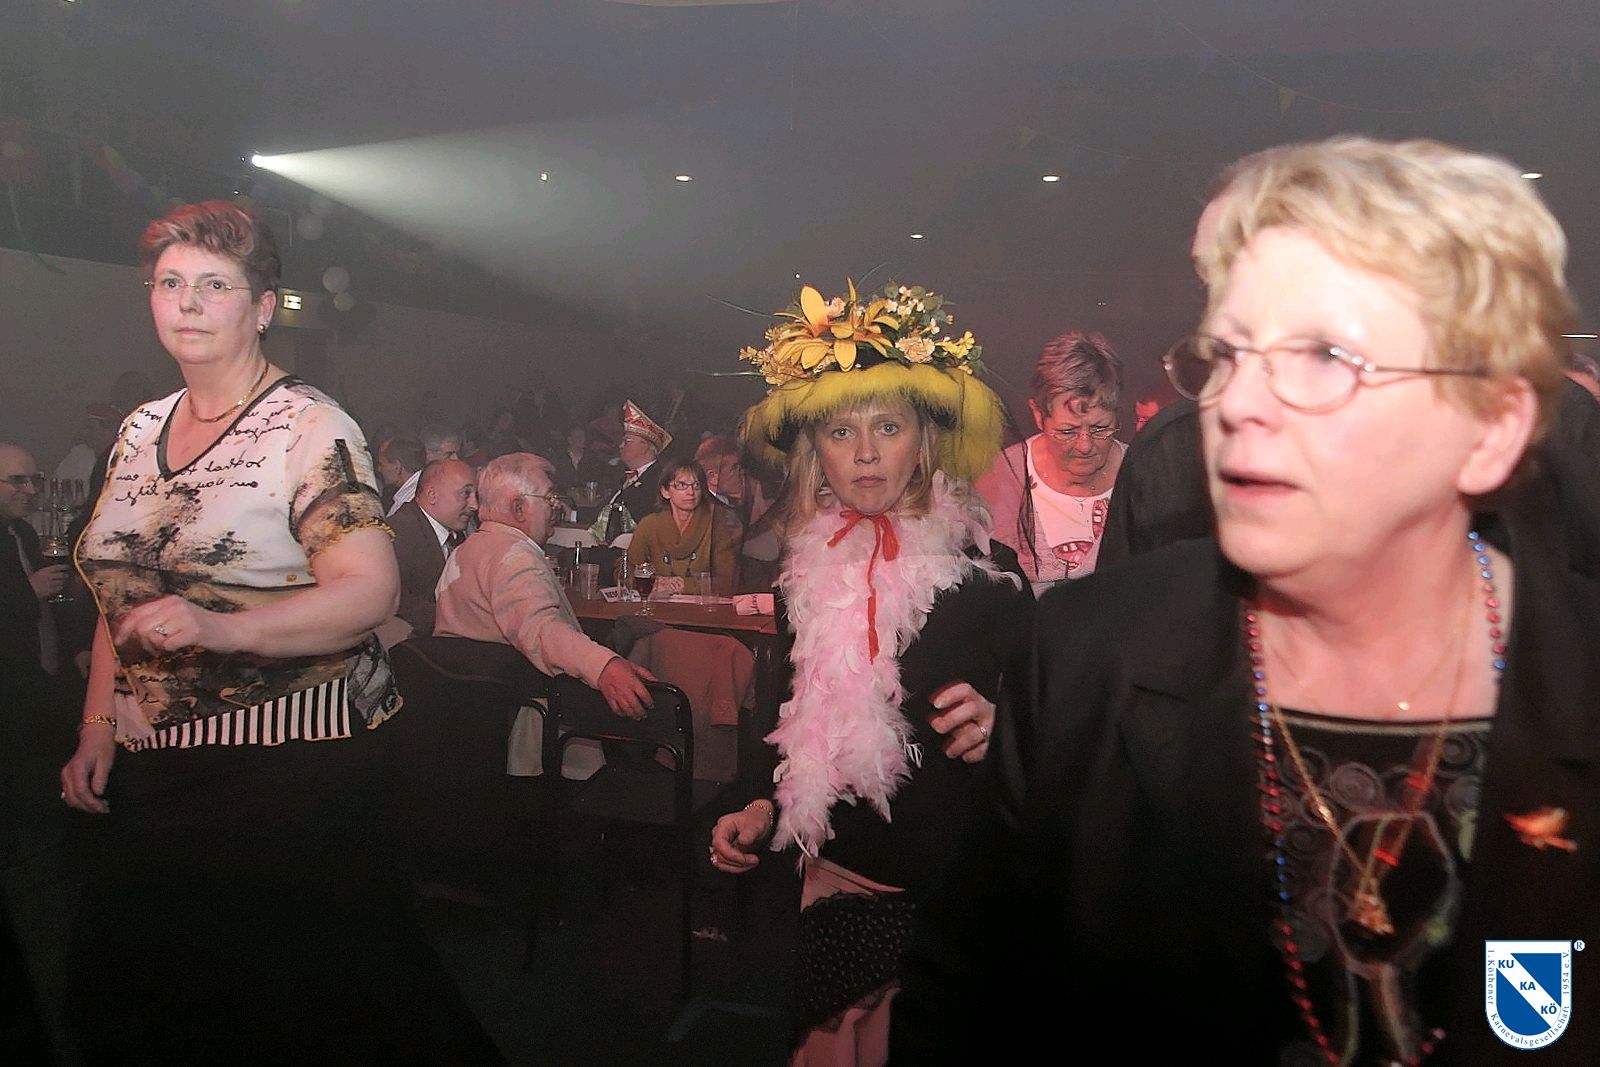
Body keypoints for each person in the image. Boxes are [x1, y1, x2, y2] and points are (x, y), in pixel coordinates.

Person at [893, 138, 1600, 1065]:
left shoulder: (1578, 672)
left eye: (1324, 356)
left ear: (1492, 428)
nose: (1237, 405)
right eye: (1226, 354)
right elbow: (963, 1006)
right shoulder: (1085, 660)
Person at [58, 201, 494, 1061]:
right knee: (128, 996)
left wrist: (221, 630)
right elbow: (125, 593)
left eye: (214, 285)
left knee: (295, 1010)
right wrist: (97, 720)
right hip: (162, 761)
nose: (187, 302)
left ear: (262, 307)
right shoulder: (139, 428)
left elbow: (369, 591)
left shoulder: (309, 425)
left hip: (290, 763)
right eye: (170, 283)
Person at [708, 279, 1031, 1065]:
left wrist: (1010, 726)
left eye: (887, 427)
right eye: (841, 431)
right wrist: (757, 802)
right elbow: (786, 714)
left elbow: (1056, 728)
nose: (863, 452)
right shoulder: (802, 575)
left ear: (924, 441)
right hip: (838, 878)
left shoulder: (986, 578)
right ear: (815, 451)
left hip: (951, 888)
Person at [434, 452, 658, 718]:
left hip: (468, 709)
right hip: (527, 716)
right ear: (518, 508)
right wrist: (603, 666)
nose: (557, 506)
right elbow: (540, 629)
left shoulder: (465, 550)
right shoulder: (515, 557)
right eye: (549, 497)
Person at [974, 330, 1126, 594]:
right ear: (1038, 414)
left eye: (1100, 428)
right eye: (1067, 431)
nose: (1085, 446)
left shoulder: (1143, 473)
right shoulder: (1001, 479)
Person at [388, 458, 477, 638]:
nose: (475, 505)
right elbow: (396, 601)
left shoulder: (457, 535)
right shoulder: (397, 534)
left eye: (476, 495)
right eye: (465, 493)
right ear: (432, 494)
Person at [625, 459, 741, 596]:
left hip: (702, 605)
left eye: (696, 485)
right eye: (681, 485)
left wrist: (684, 586)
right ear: (665, 491)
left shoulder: (717, 526)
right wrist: (655, 583)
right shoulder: (649, 525)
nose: (690, 492)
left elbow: (727, 582)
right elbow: (628, 572)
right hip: (658, 603)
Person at [590, 399, 670, 543]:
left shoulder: (659, 480)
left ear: (644, 446)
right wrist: (572, 514)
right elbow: (602, 514)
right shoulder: (624, 476)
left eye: (626, 441)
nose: (620, 445)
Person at [53, 403, 122, 485]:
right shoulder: (79, 454)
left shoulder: (125, 457)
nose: (84, 432)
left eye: (89, 427)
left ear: (106, 432)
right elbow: (58, 483)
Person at [378, 433, 424, 515]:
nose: (379, 469)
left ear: (397, 466)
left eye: (381, 464)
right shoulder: (425, 486)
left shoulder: (409, 502)